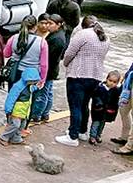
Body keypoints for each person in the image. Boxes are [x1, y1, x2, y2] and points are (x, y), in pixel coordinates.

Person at [56, 15, 110, 147]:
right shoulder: (105, 38)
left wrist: (66, 64)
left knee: (75, 106)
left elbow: (69, 53)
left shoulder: (82, 34)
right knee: (84, 105)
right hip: (95, 76)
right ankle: (82, 131)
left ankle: (72, 136)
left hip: (78, 75)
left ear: (84, 24)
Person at [29, 14, 67, 124]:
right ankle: (45, 113)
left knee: (42, 94)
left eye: (50, 24)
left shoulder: (57, 39)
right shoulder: (56, 35)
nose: (47, 26)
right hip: (52, 70)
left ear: (58, 25)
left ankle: (37, 115)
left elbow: (48, 57)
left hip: (49, 70)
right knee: (47, 92)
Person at [3, 15, 48, 91]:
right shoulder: (42, 42)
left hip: (15, 73)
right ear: (35, 27)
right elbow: (43, 64)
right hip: (32, 74)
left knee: (13, 96)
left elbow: (6, 54)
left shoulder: (13, 38)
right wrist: (42, 80)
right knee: (27, 99)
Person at [0, 68, 40, 146]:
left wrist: (37, 88)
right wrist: (8, 109)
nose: (33, 82)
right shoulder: (17, 86)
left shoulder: (29, 86)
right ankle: (4, 137)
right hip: (16, 110)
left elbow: (32, 89)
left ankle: (16, 138)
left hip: (24, 110)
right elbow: (11, 98)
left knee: (22, 125)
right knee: (15, 125)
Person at [89, 71, 122, 145]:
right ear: (107, 79)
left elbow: (116, 102)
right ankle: (92, 136)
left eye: (114, 82)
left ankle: (98, 135)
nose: (111, 83)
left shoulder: (115, 90)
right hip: (98, 110)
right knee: (96, 123)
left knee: (102, 124)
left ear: (117, 83)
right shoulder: (100, 88)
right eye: (110, 80)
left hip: (107, 112)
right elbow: (94, 96)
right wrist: (98, 103)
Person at [112, 62, 133, 155]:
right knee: (123, 109)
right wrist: (127, 73)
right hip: (130, 81)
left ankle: (130, 146)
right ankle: (124, 137)